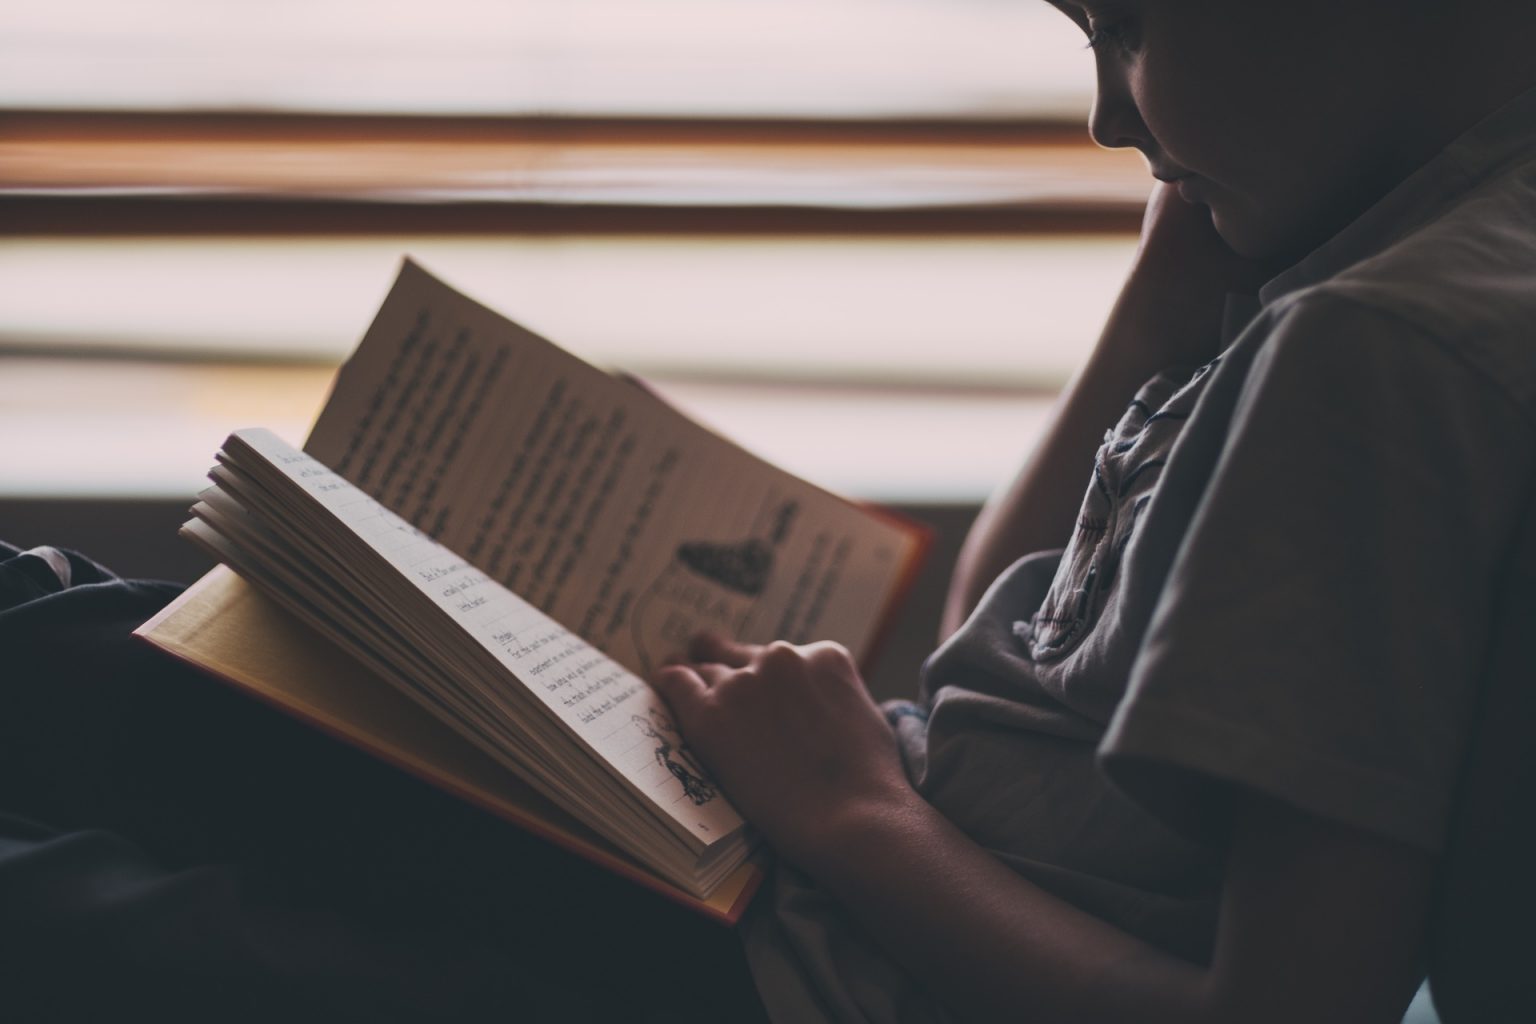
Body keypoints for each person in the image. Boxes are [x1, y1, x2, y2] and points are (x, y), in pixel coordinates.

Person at [650, 1, 1536, 1021]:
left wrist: (850, 808)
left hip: (820, 969)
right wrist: (1165, 291)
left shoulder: (1373, 349)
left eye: (1124, 27)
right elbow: (1012, 656)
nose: (1108, 120)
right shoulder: (1413, 241)